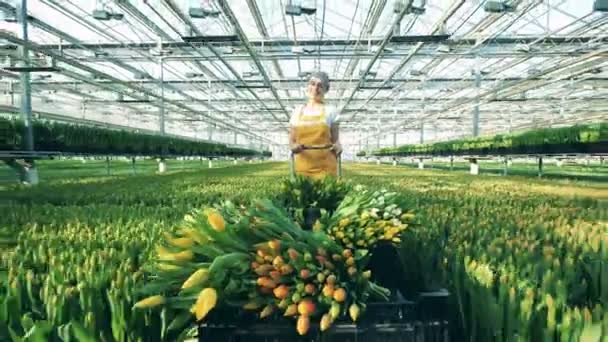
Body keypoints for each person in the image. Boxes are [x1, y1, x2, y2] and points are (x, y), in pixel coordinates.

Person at [289, 71, 342, 178]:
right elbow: (291, 141)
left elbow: (335, 141)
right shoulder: (297, 111)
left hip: (326, 167)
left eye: (320, 86)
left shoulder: (331, 111)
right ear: (308, 86)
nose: (315, 88)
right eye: (312, 84)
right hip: (303, 168)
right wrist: (294, 147)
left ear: (326, 90)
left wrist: (338, 146)